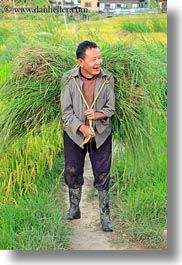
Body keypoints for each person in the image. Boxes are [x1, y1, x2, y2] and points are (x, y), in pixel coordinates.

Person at [60, 40, 115, 232]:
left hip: (101, 133)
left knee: (103, 172)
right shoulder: (69, 79)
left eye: (100, 58)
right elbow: (66, 113)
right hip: (75, 134)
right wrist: (82, 127)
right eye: (93, 59)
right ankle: (74, 208)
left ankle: (105, 216)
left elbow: (110, 108)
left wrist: (98, 115)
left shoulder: (107, 78)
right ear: (80, 62)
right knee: (72, 171)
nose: (98, 62)